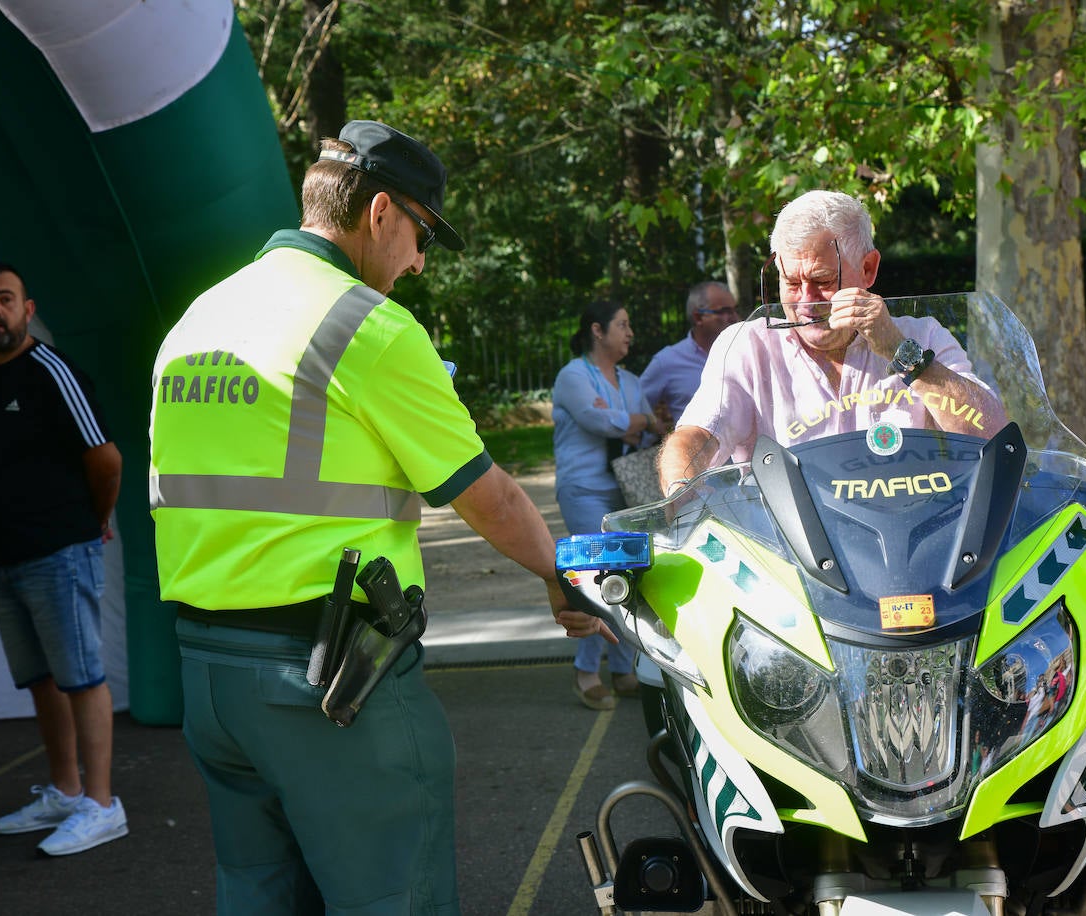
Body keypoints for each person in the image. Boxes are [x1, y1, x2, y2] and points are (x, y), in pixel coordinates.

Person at [148, 121, 611, 915]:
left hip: (210, 675)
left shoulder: (198, 320)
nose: (420, 261)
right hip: (329, 685)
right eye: (422, 233)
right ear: (381, 212)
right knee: (395, 897)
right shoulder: (368, 326)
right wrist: (558, 574)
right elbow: (489, 496)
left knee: (257, 894)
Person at [658, 190, 1007, 492]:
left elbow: (991, 435)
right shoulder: (748, 346)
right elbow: (698, 436)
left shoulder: (923, 336)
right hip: (786, 549)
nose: (806, 302)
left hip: (913, 539)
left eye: (823, 281)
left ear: (868, 270)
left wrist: (901, 353)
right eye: (791, 284)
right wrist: (678, 497)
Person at [0, 261, 127, 856]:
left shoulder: (52, 371)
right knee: (42, 682)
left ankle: (103, 806)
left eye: (5, 299)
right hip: (4, 559)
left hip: (60, 553)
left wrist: (95, 522)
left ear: (27, 310)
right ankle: (64, 789)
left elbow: (106, 460)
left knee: (82, 679)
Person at [552, 300, 662, 710]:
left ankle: (622, 668)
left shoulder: (631, 381)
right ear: (597, 331)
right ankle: (586, 673)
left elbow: (647, 425)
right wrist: (632, 420)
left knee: (626, 574)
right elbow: (602, 423)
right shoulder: (572, 376)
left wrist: (631, 419)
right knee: (591, 576)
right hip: (583, 489)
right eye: (622, 324)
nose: (630, 332)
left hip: (622, 491)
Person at [639, 280, 740, 432]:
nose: (734, 317)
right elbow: (637, 406)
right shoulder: (667, 361)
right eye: (724, 311)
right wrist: (656, 431)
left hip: (749, 452)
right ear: (698, 318)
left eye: (734, 309)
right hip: (696, 453)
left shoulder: (743, 353)